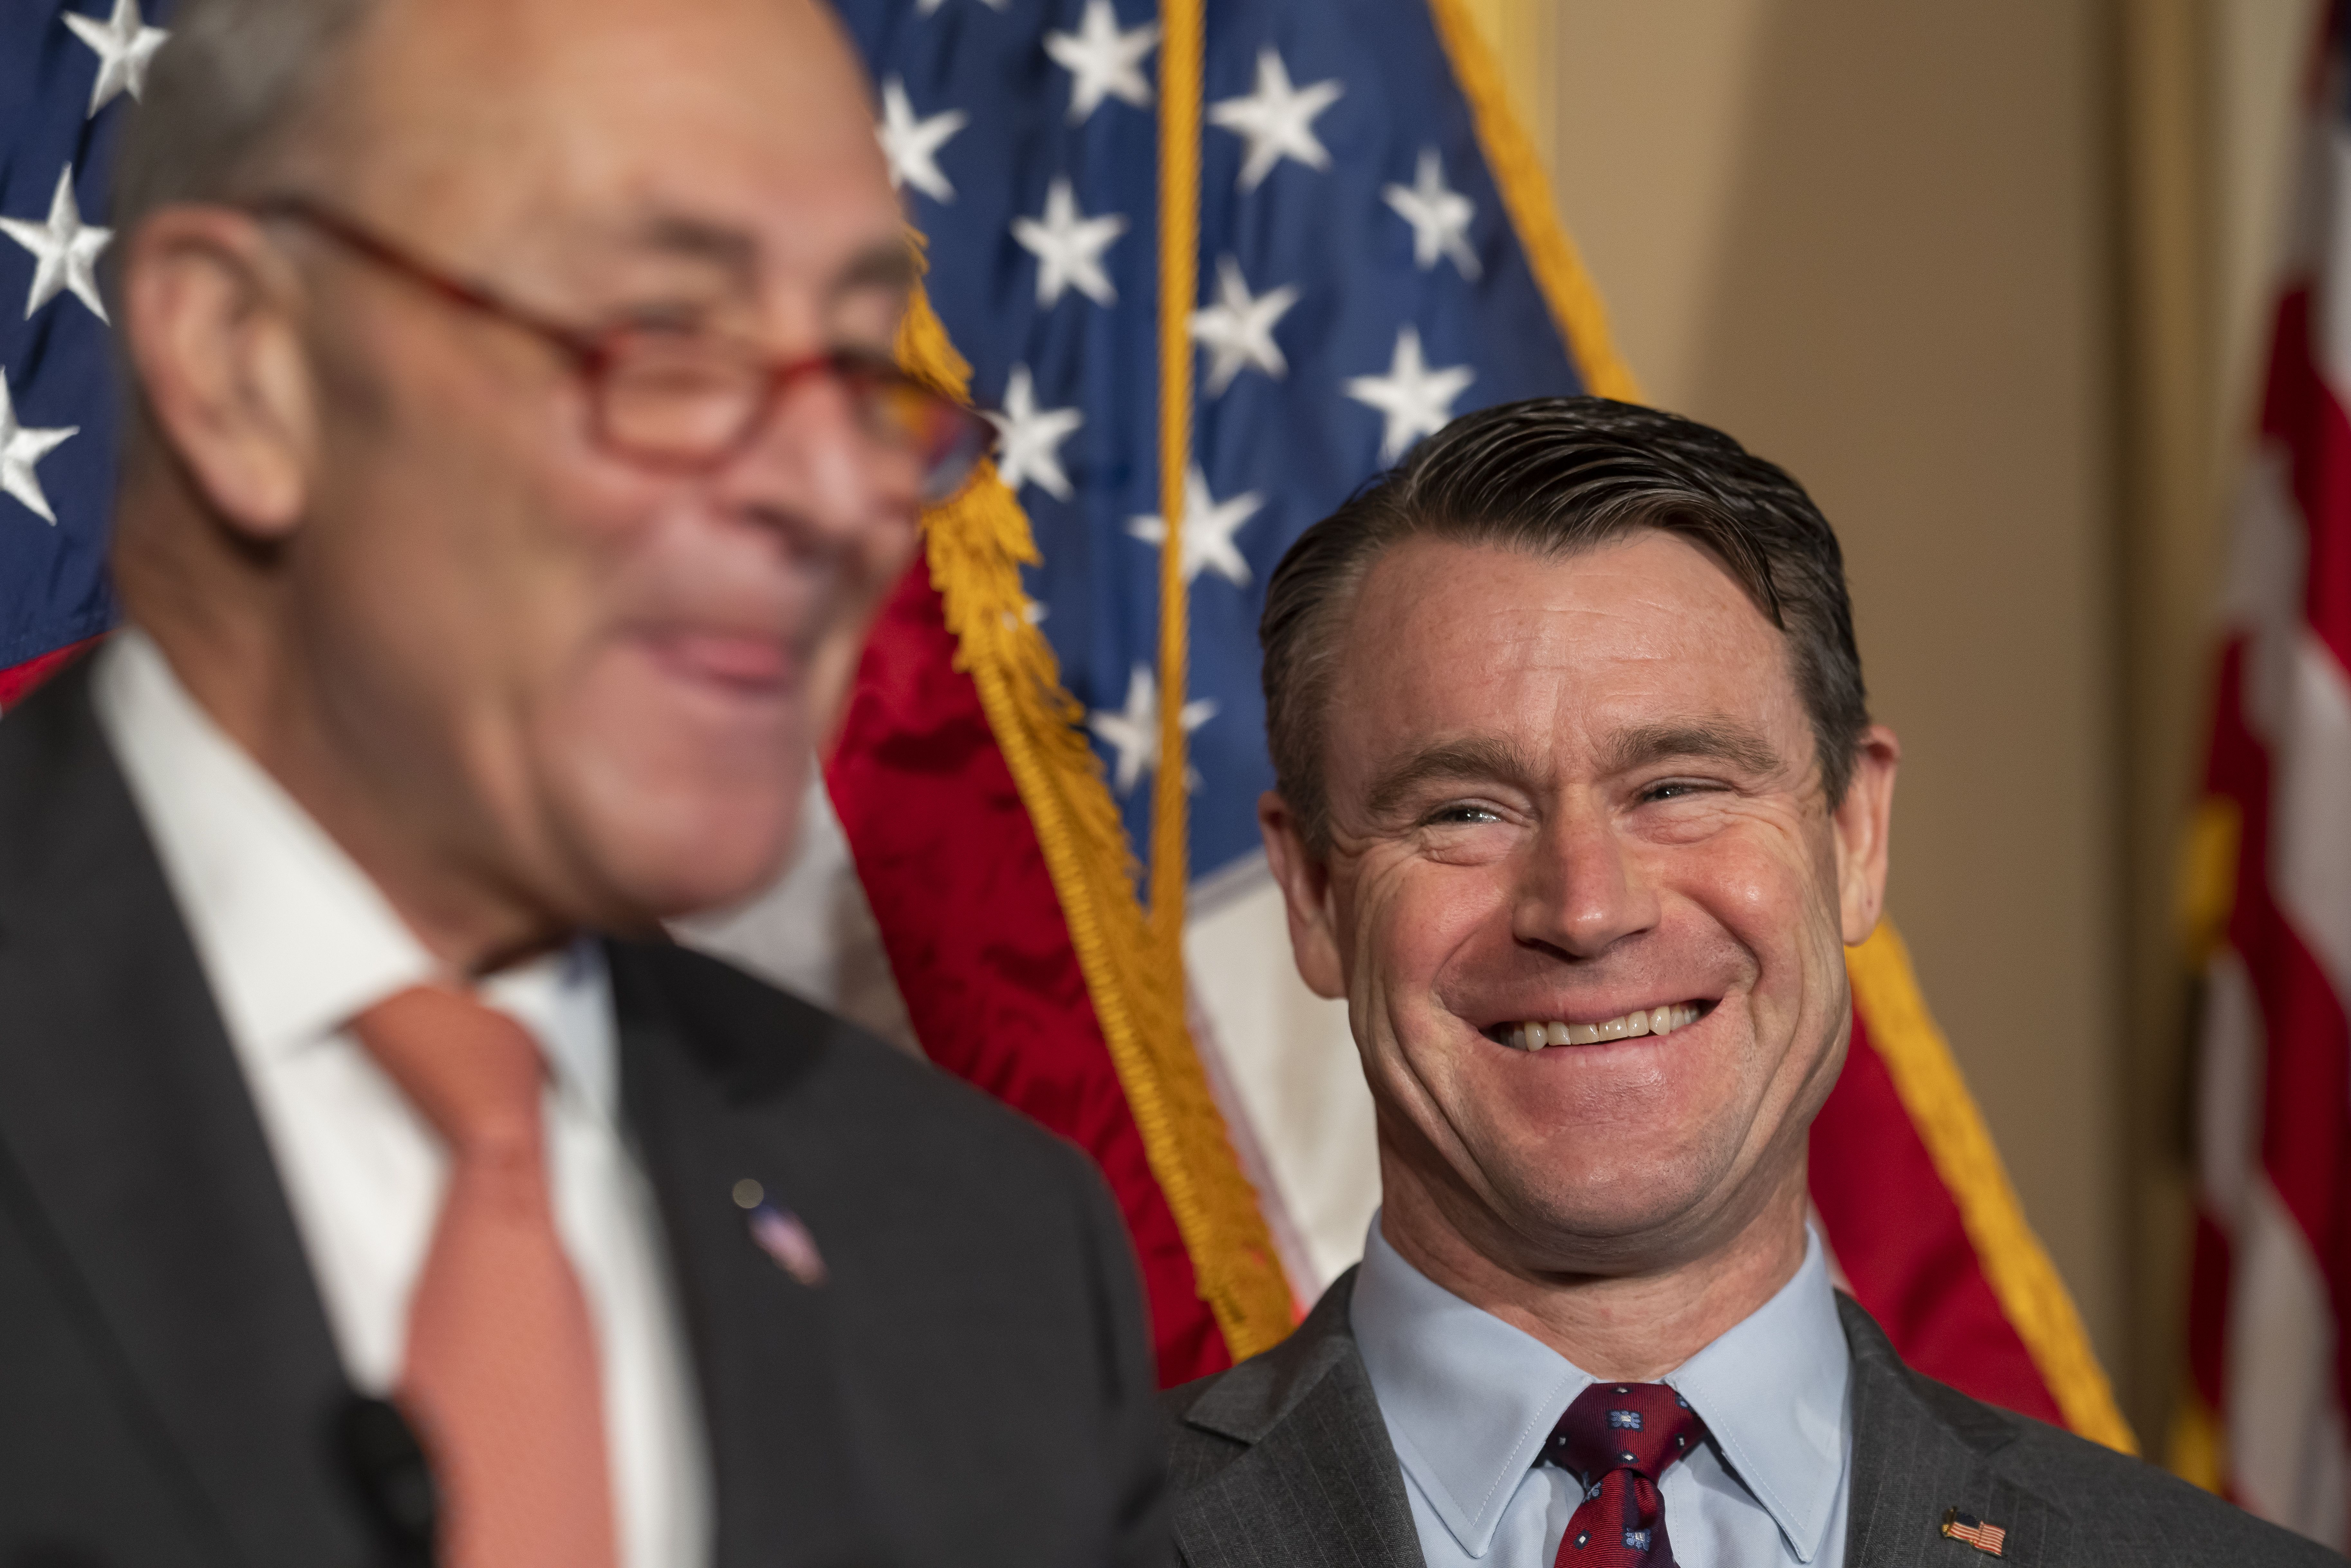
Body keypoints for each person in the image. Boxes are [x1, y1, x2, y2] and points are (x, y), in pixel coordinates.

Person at [0, 0, 1164, 1564]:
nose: (836, 495)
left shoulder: (990, 1259)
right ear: (244, 367)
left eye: (863, 378)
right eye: (672, 342)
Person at [1161, 397, 2332, 1568]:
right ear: (1314, 893)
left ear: (1854, 836)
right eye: (1465, 810)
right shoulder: (1066, 1530)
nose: (1585, 908)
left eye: (1677, 787)